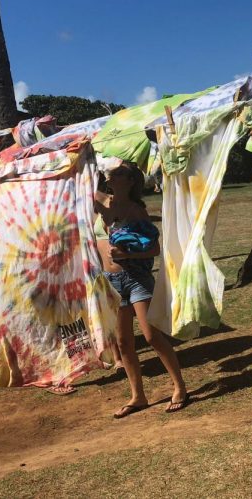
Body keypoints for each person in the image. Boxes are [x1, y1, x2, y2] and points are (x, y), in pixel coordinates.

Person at [94, 161, 188, 418]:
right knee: (123, 343)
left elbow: (155, 249)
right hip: (112, 282)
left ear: (130, 181)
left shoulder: (136, 211)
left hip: (136, 278)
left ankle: (179, 387)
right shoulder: (102, 201)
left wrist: (126, 253)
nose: (110, 176)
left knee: (151, 336)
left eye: (117, 173)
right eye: (110, 173)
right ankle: (138, 397)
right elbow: (81, 184)